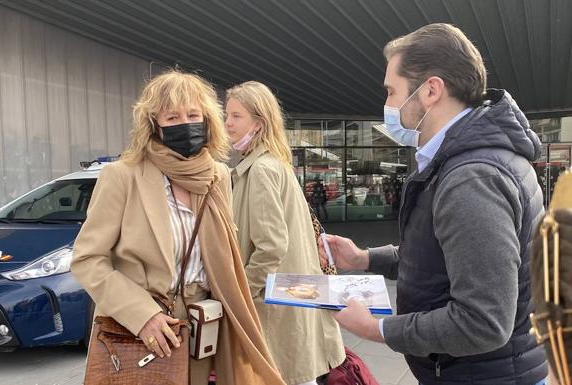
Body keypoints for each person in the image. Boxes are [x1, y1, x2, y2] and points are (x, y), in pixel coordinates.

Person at [319, 23, 548, 384]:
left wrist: (378, 328)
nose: (387, 106)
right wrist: (364, 258)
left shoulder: (472, 178)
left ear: (430, 90)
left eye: (392, 92)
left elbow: (482, 322)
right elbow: (443, 259)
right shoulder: (465, 162)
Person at [71, 70, 285, 385]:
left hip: (202, 327)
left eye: (193, 114)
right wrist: (143, 315)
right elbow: (87, 259)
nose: (184, 123)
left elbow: (224, 256)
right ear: (154, 124)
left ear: (207, 119)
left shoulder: (217, 176)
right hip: (142, 330)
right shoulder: (122, 176)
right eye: (172, 117)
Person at [225, 81, 345, 385]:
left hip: (273, 307)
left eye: (236, 116)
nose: (227, 124)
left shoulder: (261, 170)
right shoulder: (274, 164)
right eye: (227, 115)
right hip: (292, 302)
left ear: (258, 123)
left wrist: (242, 293)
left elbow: (270, 247)